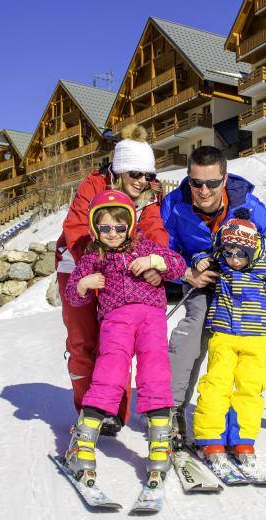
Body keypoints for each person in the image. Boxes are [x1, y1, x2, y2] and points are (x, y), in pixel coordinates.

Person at [160, 145, 266, 447]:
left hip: (247, 284)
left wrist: (264, 283)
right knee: (193, 327)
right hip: (202, 281)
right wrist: (187, 273)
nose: (203, 190)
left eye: (211, 183)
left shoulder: (248, 206)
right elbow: (160, 252)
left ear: (224, 179)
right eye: (196, 182)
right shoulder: (174, 204)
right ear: (189, 179)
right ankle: (171, 407)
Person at [62, 189, 185, 486]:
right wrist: (82, 285)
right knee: (109, 374)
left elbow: (178, 264)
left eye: (119, 227)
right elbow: (72, 295)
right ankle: (83, 441)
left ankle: (160, 443)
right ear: (95, 229)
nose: (113, 234)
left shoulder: (144, 248)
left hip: (151, 318)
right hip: (115, 321)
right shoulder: (93, 257)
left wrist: (156, 261)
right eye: (105, 228)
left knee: (155, 374)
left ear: (130, 225)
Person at [56, 124, 167, 436]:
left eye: (148, 175)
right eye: (136, 174)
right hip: (79, 263)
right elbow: (77, 227)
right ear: (120, 170)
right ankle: (87, 411)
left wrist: (156, 264)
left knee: (118, 339)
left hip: (119, 268)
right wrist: (94, 268)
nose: (143, 181)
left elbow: (156, 232)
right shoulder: (93, 185)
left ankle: (114, 412)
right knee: (83, 341)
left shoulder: (147, 198)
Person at [190, 209, 266, 473]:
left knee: (250, 387)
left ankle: (242, 440)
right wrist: (202, 260)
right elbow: (202, 255)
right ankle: (210, 438)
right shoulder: (221, 256)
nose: (234, 259)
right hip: (224, 334)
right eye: (229, 253)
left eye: (240, 254)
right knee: (217, 385)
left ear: (251, 251)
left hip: (256, 336)